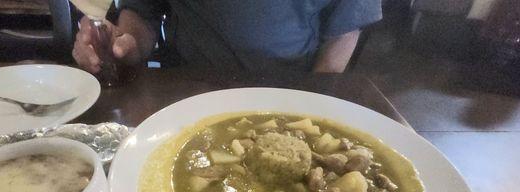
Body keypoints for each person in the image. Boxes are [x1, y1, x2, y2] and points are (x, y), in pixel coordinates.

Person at [72, 0, 382, 75]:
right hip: (190, 87)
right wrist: (122, 44)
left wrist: (311, 106)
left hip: (293, 84)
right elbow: (143, 11)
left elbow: (346, 25)